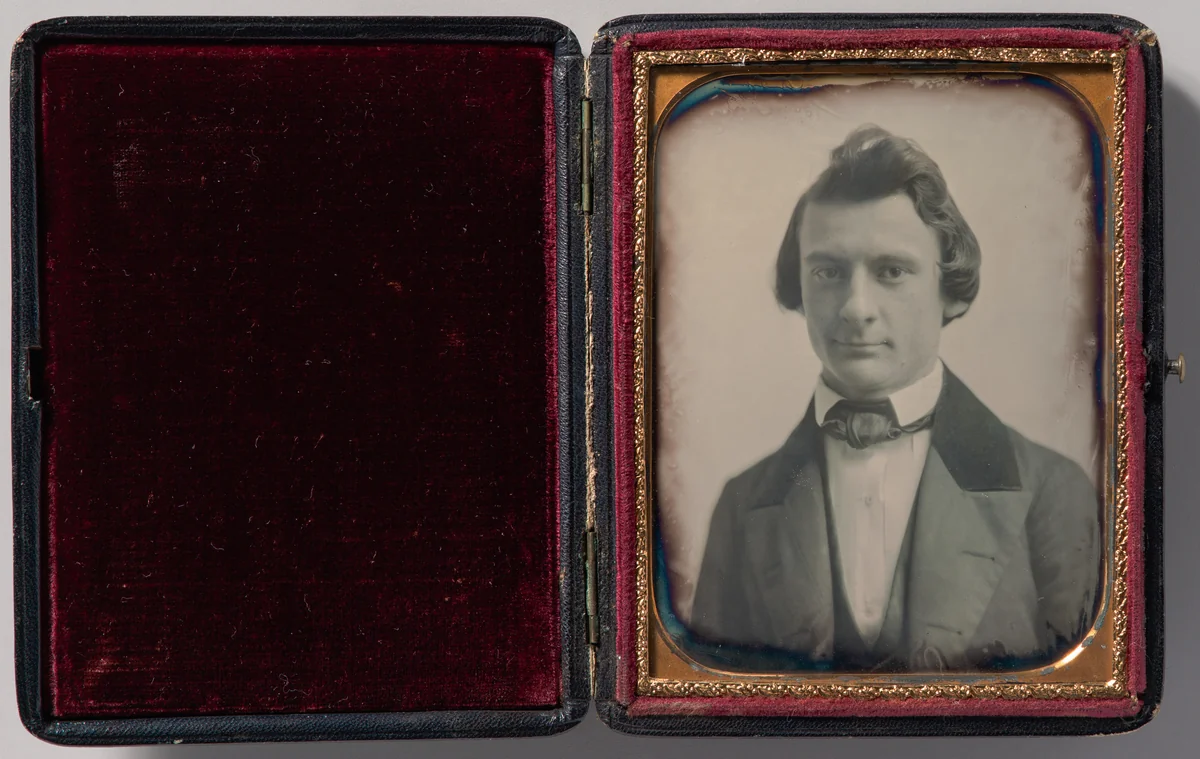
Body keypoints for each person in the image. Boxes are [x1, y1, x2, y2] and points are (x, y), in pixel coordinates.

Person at [688, 124, 1101, 673]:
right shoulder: (743, 506)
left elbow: (1078, 693)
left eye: (891, 271)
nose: (856, 307)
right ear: (800, 286)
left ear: (948, 290)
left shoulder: (1050, 491)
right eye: (829, 271)